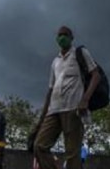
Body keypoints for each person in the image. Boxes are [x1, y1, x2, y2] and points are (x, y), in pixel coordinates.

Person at [33, 26, 102, 169]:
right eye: (59, 35)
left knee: (72, 154)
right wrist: (42, 116)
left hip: (73, 109)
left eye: (65, 35)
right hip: (53, 111)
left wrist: (85, 100)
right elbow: (50, 89)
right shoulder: (55, 62)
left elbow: (96, 75)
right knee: (39, 146)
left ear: (71, 38)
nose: (62, 37)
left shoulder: (80, 53)